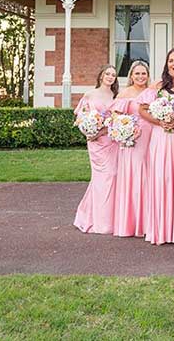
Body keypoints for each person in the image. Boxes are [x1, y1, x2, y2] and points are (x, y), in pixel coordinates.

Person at [138, 49, 174, 245]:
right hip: (162, 137)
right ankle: (163, 228)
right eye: (170, 60)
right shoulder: (158, 87)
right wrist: (158, 121)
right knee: (164, 178)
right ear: (167, 65)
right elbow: (142, 109)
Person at [74, 64, 119, 234]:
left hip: (111, 140)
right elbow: (81, 117)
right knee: (101, 178)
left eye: (113, 75)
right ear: (101, 75)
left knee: (112, 176)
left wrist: (103, 130)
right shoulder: (90, 94)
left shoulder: (116, 96)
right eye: (107, 73)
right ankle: (97, 221)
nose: (110, 76)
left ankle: (108, 219)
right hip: (96, 142)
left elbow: (116, 119)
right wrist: (89, 131)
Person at [112, 60, 152, 238]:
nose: (141, 77)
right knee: (134, 175)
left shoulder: (152, 93)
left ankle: (149, 221)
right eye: (137, 73)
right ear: (131, 75)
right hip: (132, 139)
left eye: (144, 73)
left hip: (151, 136)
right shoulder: (125, 94)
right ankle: (132, 221)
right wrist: (125, 130)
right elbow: (116, 117)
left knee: (149, 175)